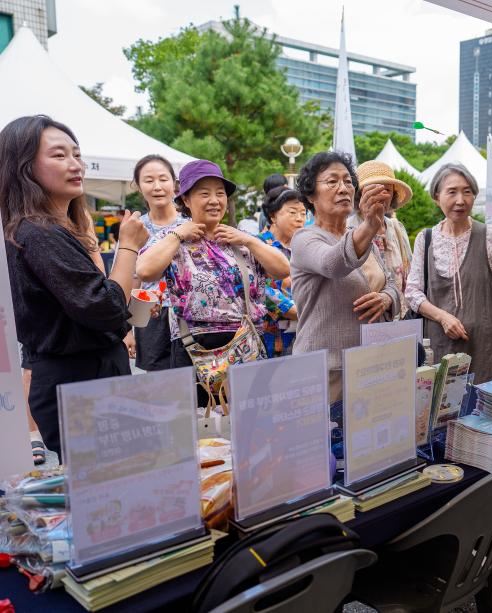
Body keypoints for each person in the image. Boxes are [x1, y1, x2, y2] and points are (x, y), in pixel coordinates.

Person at [0, 115, 149, 455]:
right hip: (78, 383)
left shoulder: (51, 229)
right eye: (58, 155)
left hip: (90, 377)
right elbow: (107, 309)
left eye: (76, 154)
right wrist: (127, 245)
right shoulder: (37, 233)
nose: (75, 164)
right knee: (108, 490)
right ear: (24, 167)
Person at [136, 159, 289, 405]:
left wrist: (248, 241)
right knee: (203, 433)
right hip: (195, 350)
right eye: (204, 193)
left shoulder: (239, 238)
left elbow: (282, 269)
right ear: (185, 199)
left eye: (220, 193)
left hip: (245, 347)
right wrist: (178, 234)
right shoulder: (173, 239)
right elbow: (144, 271)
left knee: (251, 426)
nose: (214, 200)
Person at [290, 151, 399, 401]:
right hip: (326, 371)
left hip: (369, 364)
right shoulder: (305, 239)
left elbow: (390, 280)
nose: (343, 188)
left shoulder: (357, 234)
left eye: (349, 181)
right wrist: (370, 225)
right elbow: (333, 264)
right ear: (310, 195)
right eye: (332, 182)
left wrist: (386, 299)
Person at [404, 163, 492, 383]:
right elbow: (413, 293)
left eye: (467, 192)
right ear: (437, 197)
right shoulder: (425, 239)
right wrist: (443, 317)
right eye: (452, 192)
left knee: (485, 409)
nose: (460, 200)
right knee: (441, 409)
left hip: (486, 347)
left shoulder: (491, 237)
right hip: (438, 346)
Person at [132, 154, 188, 371]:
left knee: (194, 383)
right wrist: (130, 329)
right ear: (138, 186)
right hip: (150, 312)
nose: (157, 187)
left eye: (163, 179)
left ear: (174, 184)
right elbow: (132, 280)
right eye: (148, 180)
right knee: (159, 384)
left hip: (188, 314)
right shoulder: (135, 227)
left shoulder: (190, 224)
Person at [348, 161, 414, 319]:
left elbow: (410, 273)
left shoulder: (396, 228)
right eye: (373, 189)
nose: (381, 194)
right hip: (364, 318)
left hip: (400, 316)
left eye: (387, 189)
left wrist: (391, 298)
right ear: (360, 195)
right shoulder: (348, 229)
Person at [258, 185, 307, 357]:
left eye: (303, 213)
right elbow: (262, 289)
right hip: (271, 337)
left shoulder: (304, 246)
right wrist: (296, 311)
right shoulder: (259, 246)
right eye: (292, 213)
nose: (299, 219)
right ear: (273, 216)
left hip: (304, 332)